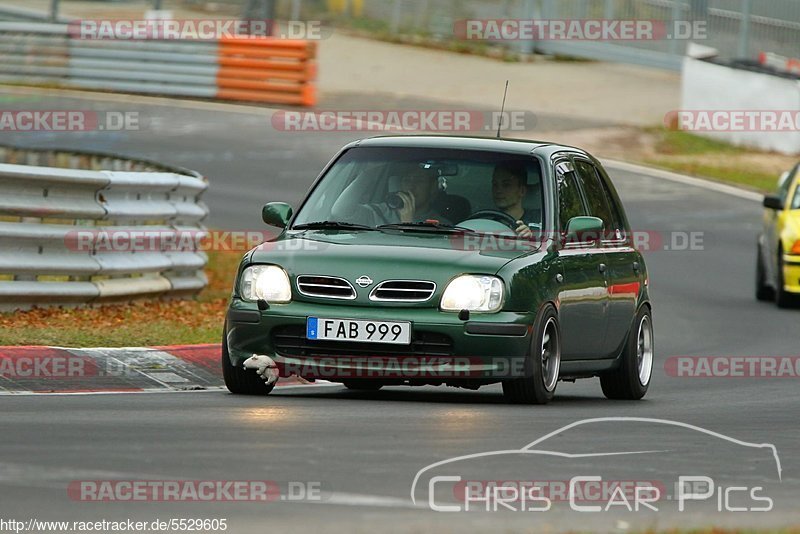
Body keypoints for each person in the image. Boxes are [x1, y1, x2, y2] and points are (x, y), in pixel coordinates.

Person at [331, 163, 450, 226]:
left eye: (419, 180)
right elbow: (340, 212)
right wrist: (368, 174)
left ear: (433, 187)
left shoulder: (440, 224)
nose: (411, 186)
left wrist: (407, 223)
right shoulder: (379, 212)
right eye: (407, 180)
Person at [491, 162, 540, 237]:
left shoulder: (541, 220)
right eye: (495, 184)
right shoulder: (488, 225)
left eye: (506, 185)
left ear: (522, 191)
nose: (498, 190)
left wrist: (531, 238)